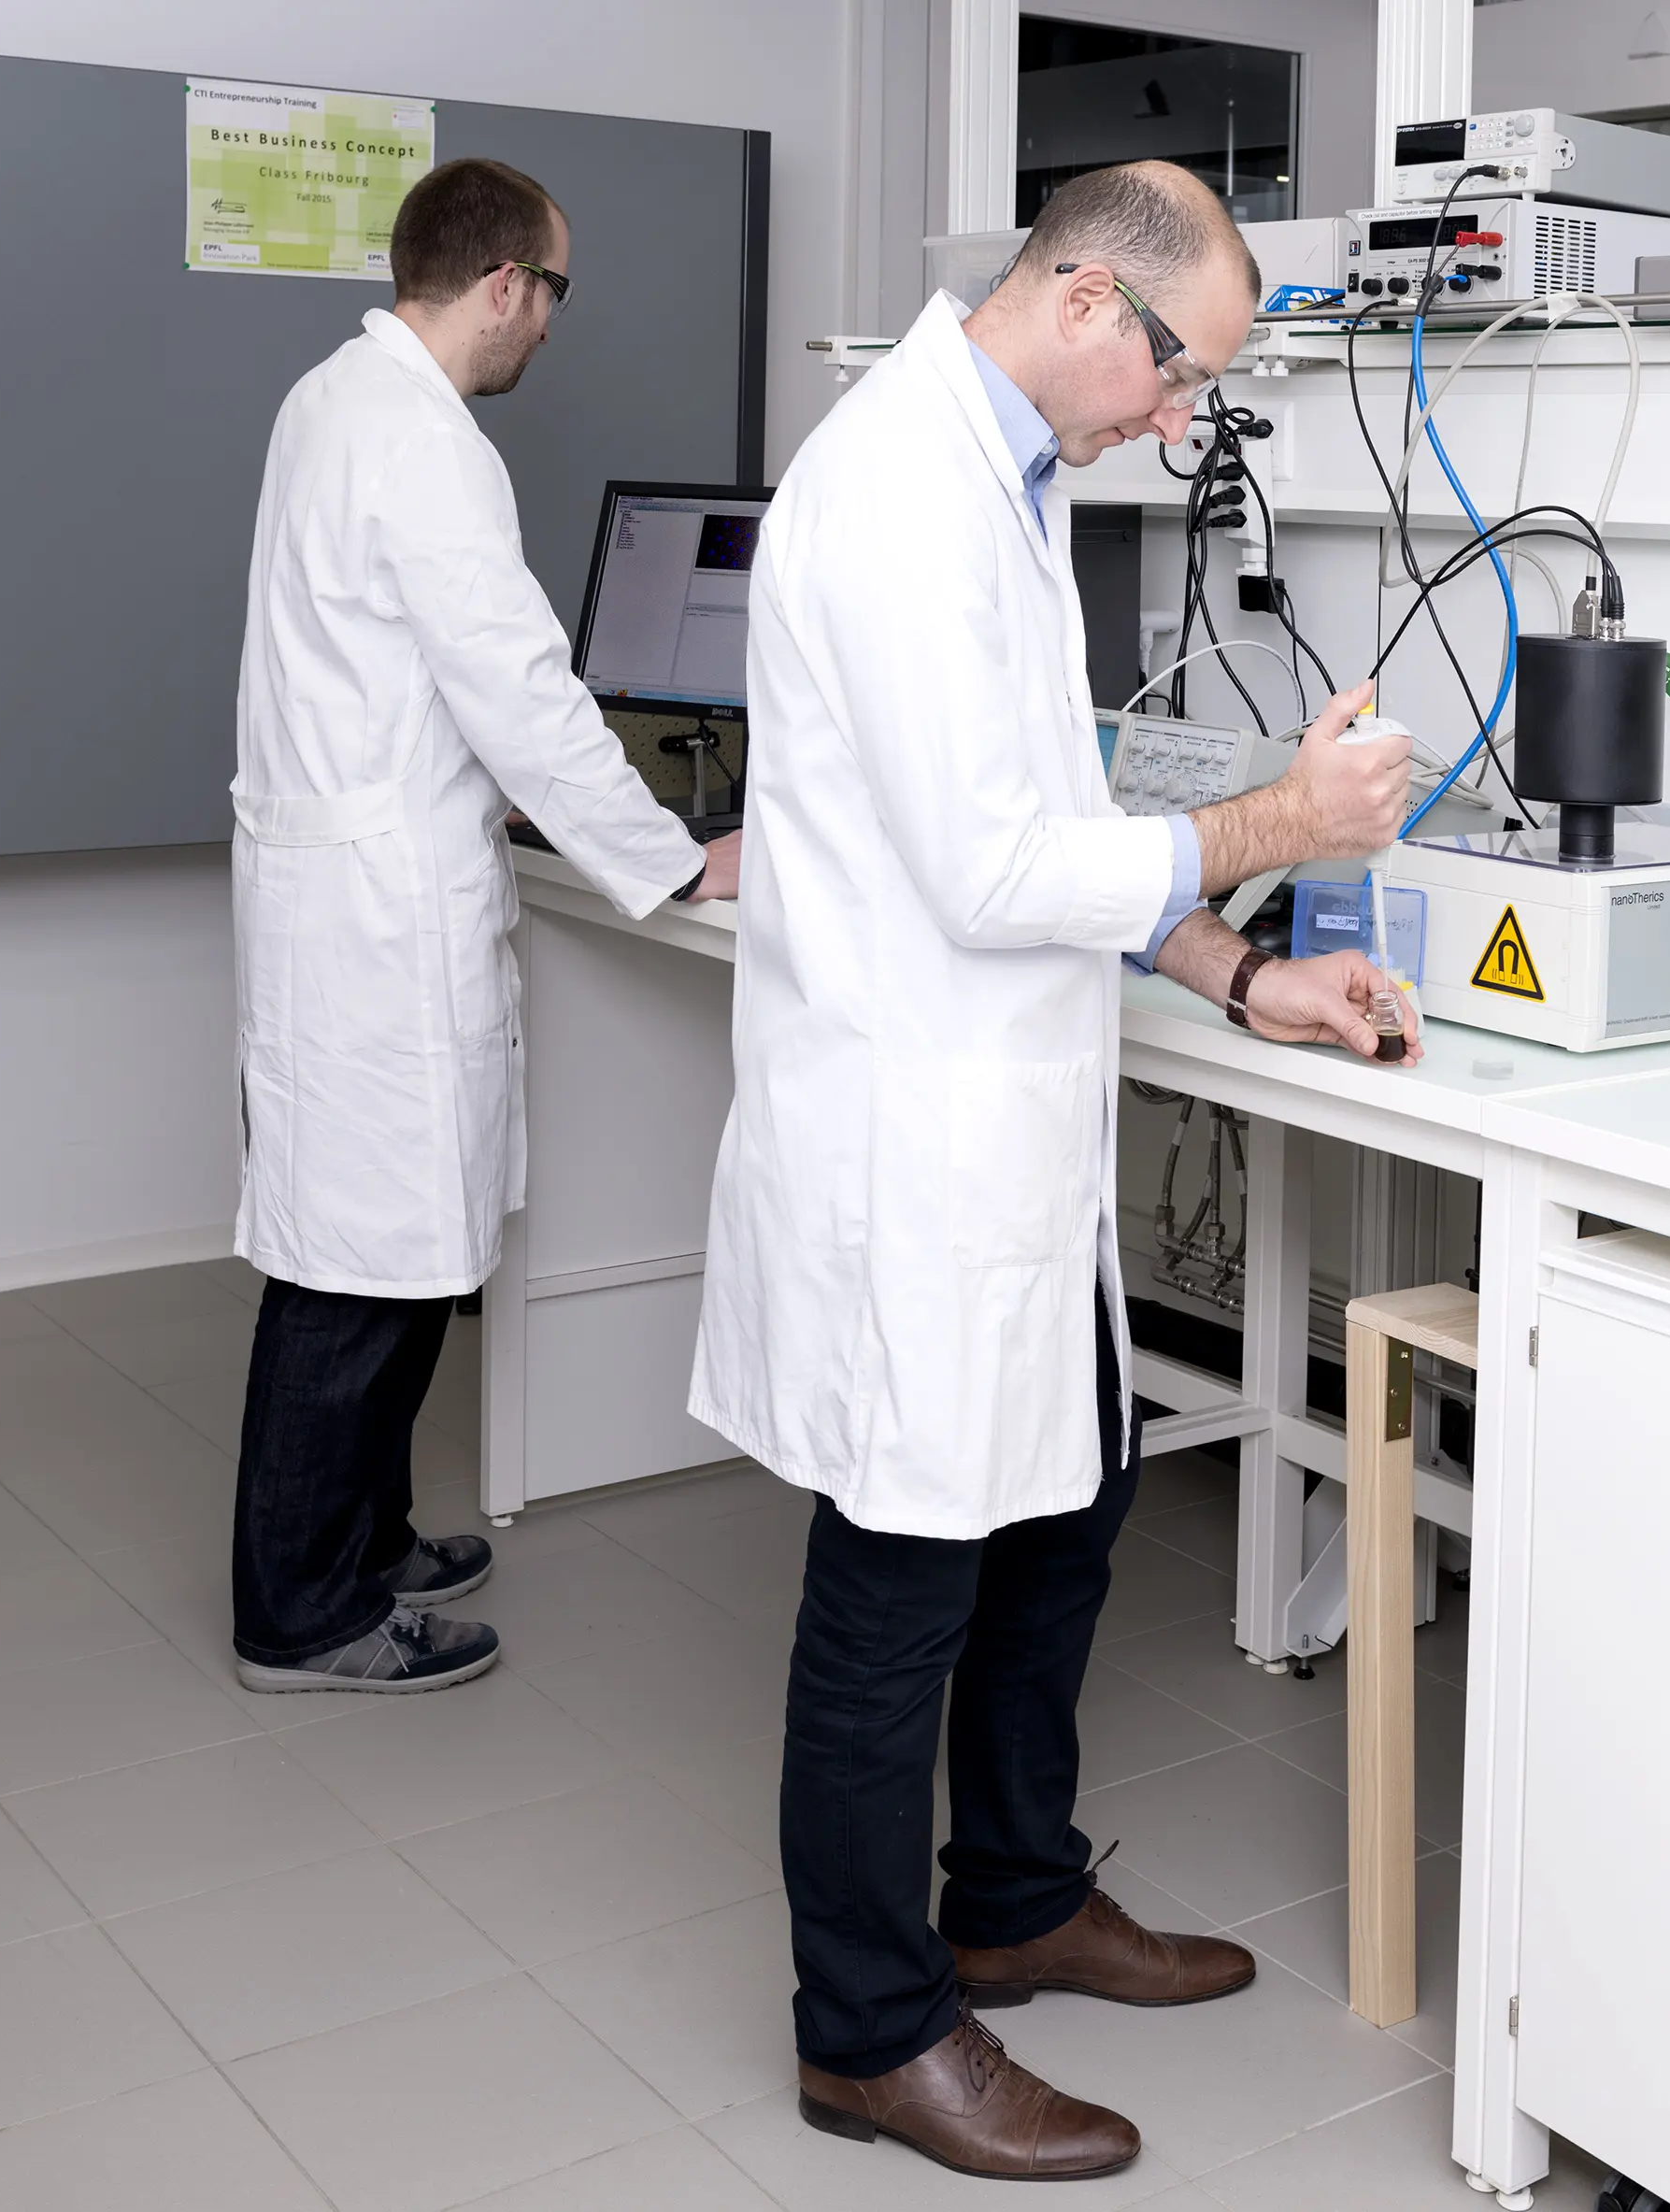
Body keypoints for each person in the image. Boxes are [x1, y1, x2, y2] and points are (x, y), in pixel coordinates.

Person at [691, 162, 1419, 2179]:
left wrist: (1233, 970)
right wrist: (1281, 812)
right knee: (899, 1586)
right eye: (1182, 375)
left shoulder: (1006, 482)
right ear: (1090, 298)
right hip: (908, 1146)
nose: (1181, 421)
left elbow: (1059, 816)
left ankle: (1012, 1892)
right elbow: (994, 869)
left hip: (1007, 1136)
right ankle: (871, 2026)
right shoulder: (900, 493)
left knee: (1068, 1509)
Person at [225, 156, 738, 1694]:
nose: (550, 333)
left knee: (376, 1252)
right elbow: (522, 691)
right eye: (554, 295)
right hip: (373, 910)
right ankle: (301, 1613)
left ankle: (366, 1541)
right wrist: (677, 860)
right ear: (507, 283)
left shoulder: (330, 400)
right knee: (355, 1270)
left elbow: (402, 672)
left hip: (353, 870)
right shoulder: (427, 446)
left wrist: (514, 793)